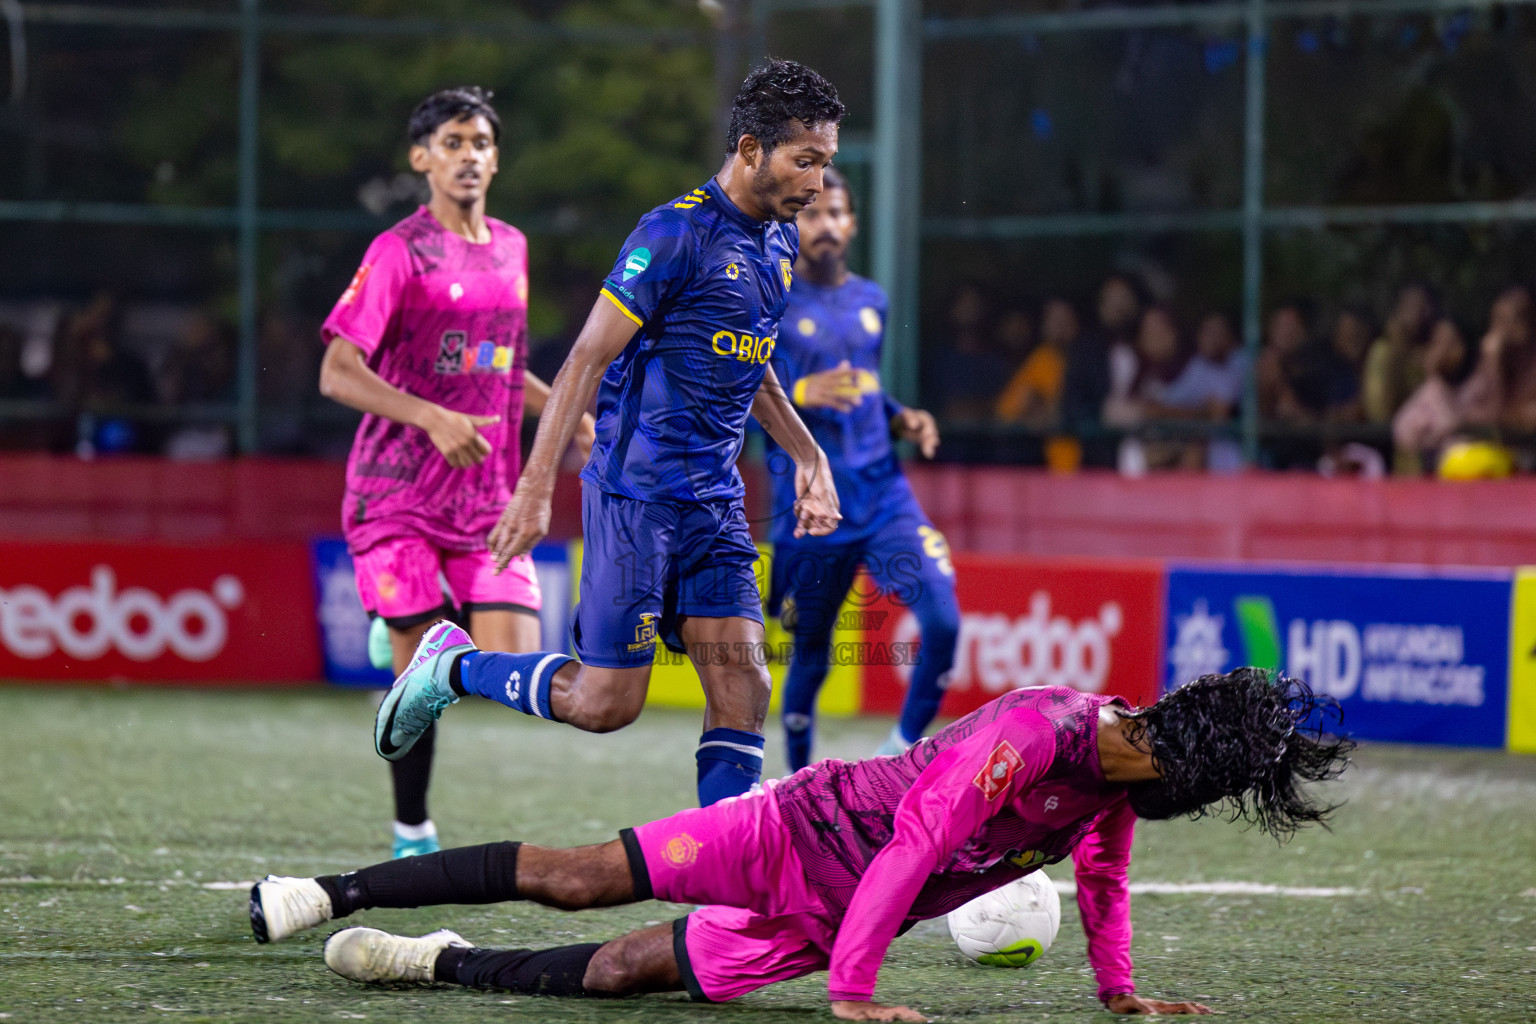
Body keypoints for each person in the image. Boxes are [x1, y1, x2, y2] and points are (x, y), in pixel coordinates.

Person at [249, 669, 1352, 1023]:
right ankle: (336, 889)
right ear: (1182, 758)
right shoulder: (1037, 732)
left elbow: (1106, 881)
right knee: (581, 880)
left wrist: (1120, 992)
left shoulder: (1120, 785)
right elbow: (916, 844)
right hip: (793, 832)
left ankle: (430, 957)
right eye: (1212, 790)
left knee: (623, 973)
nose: (1200, 804)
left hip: (831, 916)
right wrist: (856, 989)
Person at [370, 61, 845, 810]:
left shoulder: (778, 246)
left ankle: (729, 887)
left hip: (714, 503)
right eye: (806, 160)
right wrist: (533, 492)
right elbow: (585, 360)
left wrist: (808, 454)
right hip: (637, 496)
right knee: (604, 705)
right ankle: (452, 667)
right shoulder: (673, 234)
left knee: (743, 683)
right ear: (752, 149)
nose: (818, 183)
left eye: (826, 163)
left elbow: (751, 363)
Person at [316, 86, 595, 858]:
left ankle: (411, 640)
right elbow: (338, 372)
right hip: (396, 495)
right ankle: (412, 830)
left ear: (496, 159)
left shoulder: (512, 247)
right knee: (418, 695)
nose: (468, 154)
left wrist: (569, 419)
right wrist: (432, 417)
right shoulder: (397, 251)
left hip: (485, 501)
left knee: (513, 660)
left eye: (480, 142)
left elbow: (502, 366)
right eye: (452, 142)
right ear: (422, 159)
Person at [762, 166, 959, 768]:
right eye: (813, 213)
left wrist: (902, 417)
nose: (825, 224)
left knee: (944, 620)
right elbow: (736, 392)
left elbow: (865, 390)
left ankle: (900, 754)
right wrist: (798, 393)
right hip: (812, 504)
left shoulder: (873, 299)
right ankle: (800, 785)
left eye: (836, 212)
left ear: (851, 222)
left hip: (883, 494)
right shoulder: (769, 296)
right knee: (812, 654)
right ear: (795, 221)